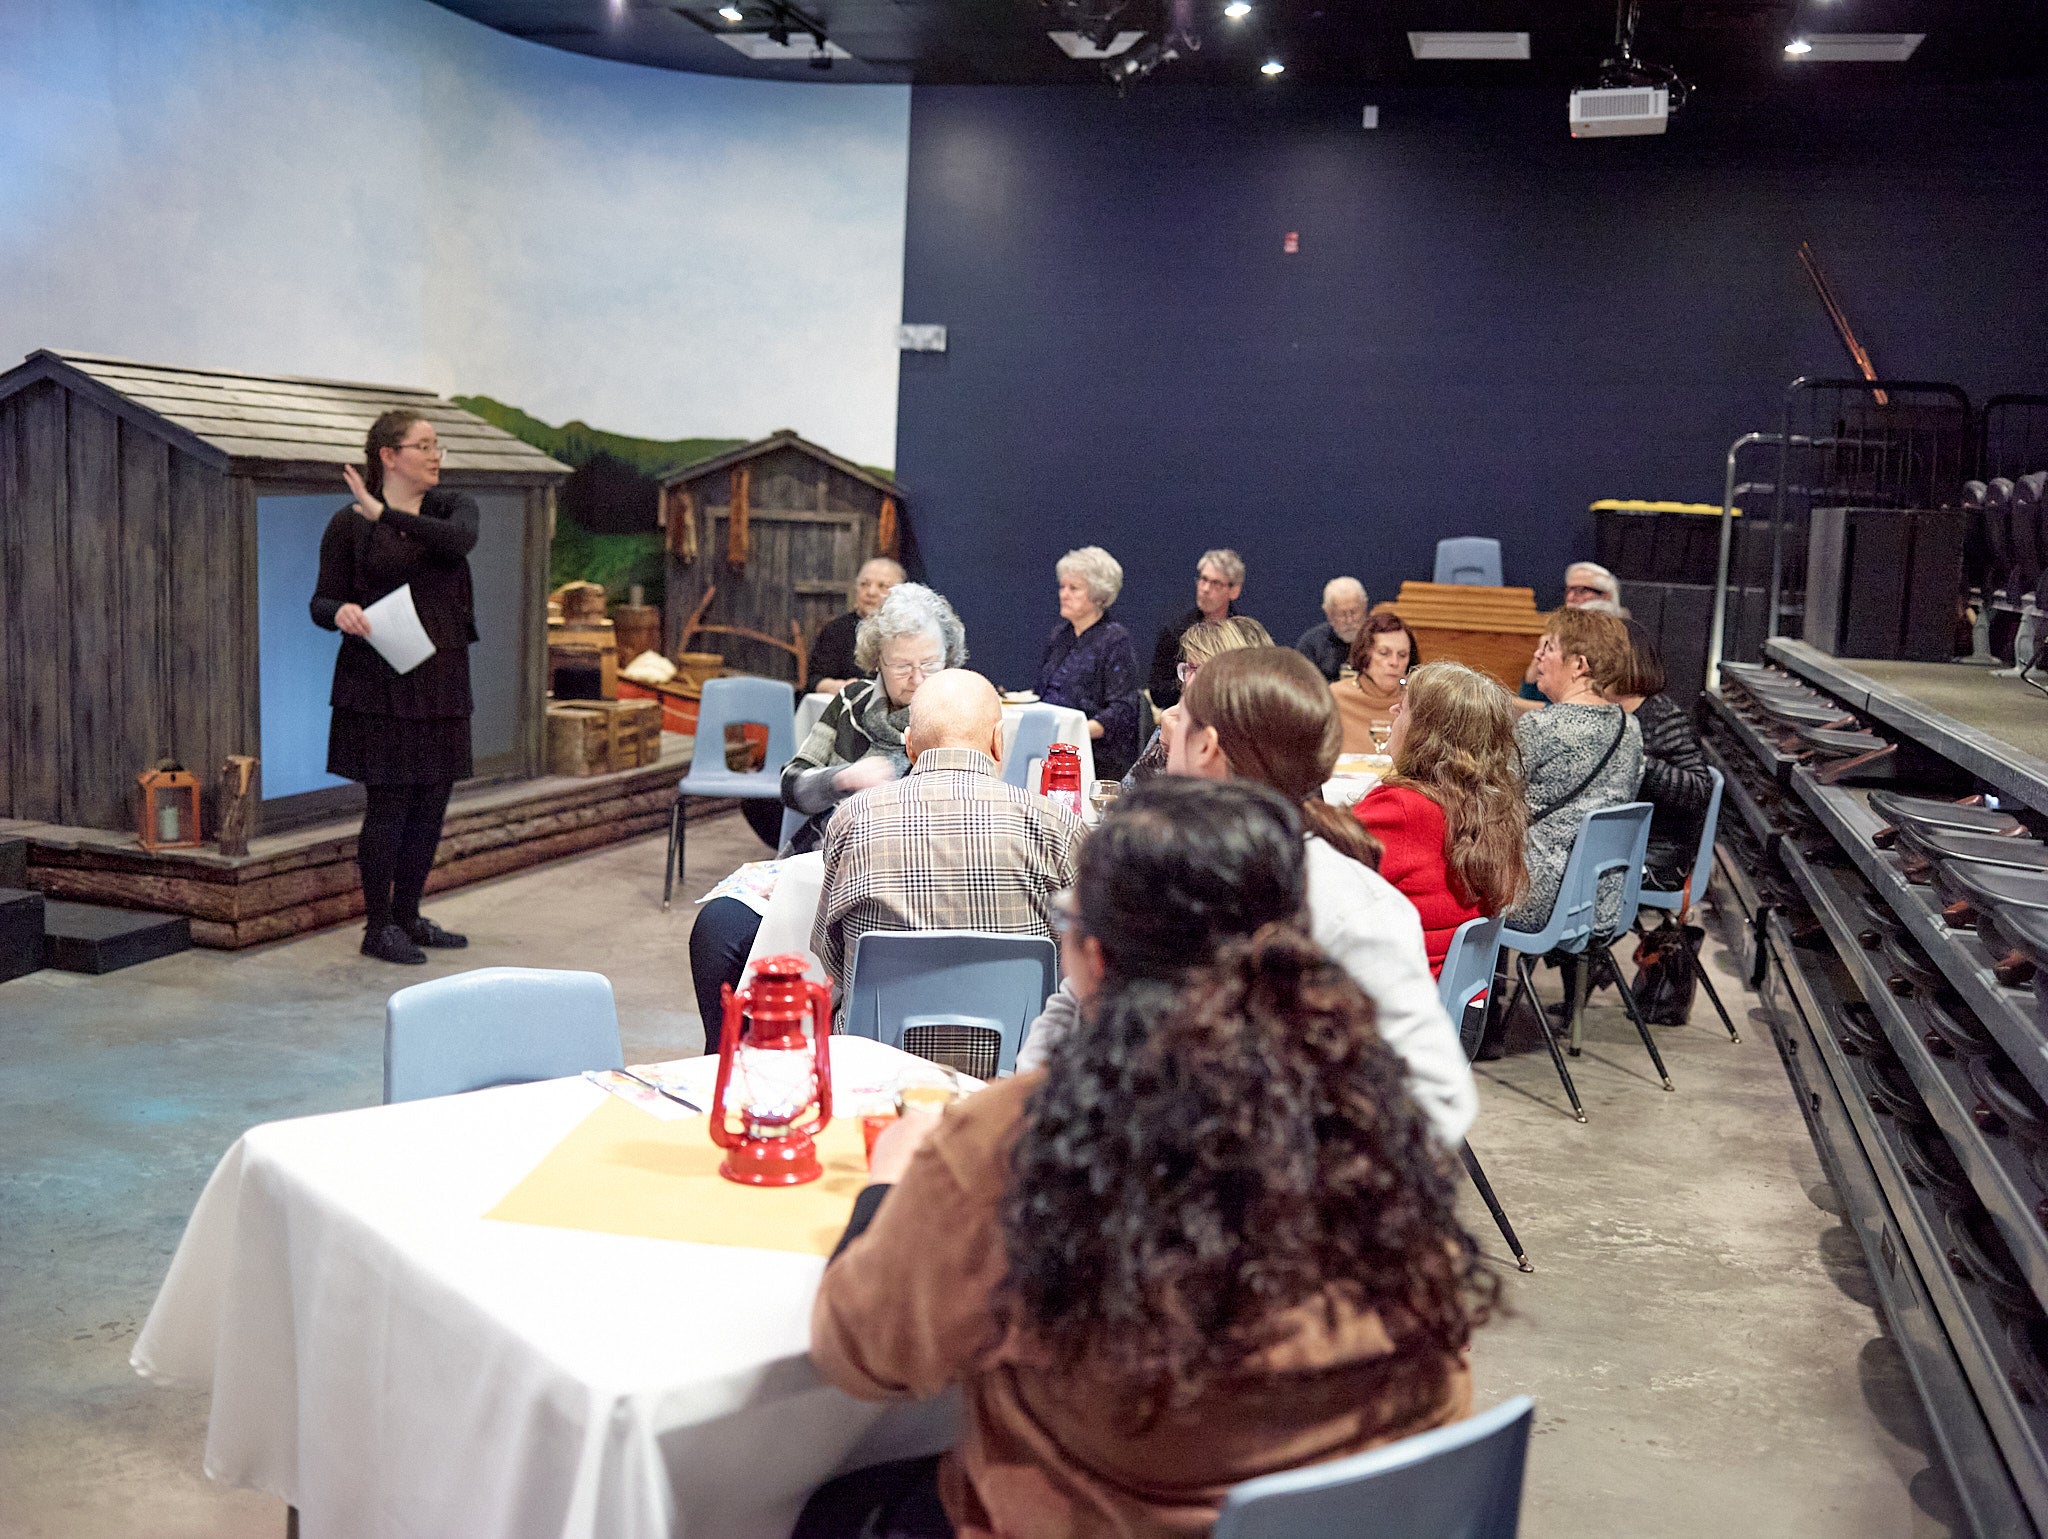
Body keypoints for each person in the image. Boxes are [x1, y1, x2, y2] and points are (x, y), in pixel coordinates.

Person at [800, 777, 1493, 1539]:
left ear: (1094, 958)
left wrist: (889, 1185)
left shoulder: (1022, 1141)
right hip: (1370, 1519)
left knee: (827, 1505)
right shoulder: (1373, 1111)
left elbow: (863, 1350)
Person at [1022, 646, 1477, 1149]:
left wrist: (1262, 1173)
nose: (1167, 734)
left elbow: (1435, 1101)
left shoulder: (1345, 903)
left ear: (1206, 748)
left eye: (1179, 721)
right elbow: (1074, 1007)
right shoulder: (1150, 868)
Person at [688, 583, 966, 1046]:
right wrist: (842, 778)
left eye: (930, 665)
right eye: (902, 666)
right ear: (877, 660)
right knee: (717, 929)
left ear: (949, 659)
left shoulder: (958, 713)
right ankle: (726, 1062)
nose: (917, 678)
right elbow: (790, 785)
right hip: (815, 868)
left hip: (897, 880)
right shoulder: (850, 704)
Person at [311, 410, 478, 966]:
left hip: (441, 679)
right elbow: (321, 601)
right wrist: (341, 613)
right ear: (388, 454)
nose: (436, 456)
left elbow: (457, 543)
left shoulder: (452, 509)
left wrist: (385, 513)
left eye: (438, 446)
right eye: (424, 446)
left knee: (432, 802)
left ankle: (408, 916)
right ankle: (377, 926)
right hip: (379, 682)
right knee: (389, 803)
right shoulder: (347, 524)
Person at [812, 671, 1084, 995]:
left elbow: (830, 957)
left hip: (876, 1040)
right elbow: (1085, 956)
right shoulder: (1055, 824)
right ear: (999, 740)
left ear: (910, 745)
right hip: (1022, 1044)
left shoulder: (852, 817)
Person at [1355, 662, 1528, 974]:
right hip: (1448, 997)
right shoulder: (1496, 809)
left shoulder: (1402, 808)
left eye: (1405, 707)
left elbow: (1318, 880)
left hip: (1388, 997)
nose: (1394, 708)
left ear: (1427, 733)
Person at [1508, 608, 1644, 936]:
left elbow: (1492, 800)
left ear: (1579, 665)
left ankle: (1476, 985)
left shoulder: (1541, 726)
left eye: (1550, 647)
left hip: (1535, 900)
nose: (1538, 654)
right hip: (1604, 901)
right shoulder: (1632, 728)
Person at [1610, 633, 1712, 893]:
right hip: (1624, 846)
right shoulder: (1611, 715)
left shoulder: (1663, 716)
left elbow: (1699, 789)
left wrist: (1641, 762)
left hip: (1656, 858)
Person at [1120, 614, 1271, 786]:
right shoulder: (1176, 722)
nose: (1189, 682)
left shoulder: (1252, 746)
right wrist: (1164, 749)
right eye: (1188, 669)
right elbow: (1124, 801)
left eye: (1200, 670)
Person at [1035, 546, 1142, 780]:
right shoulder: (1060, 635)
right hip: (1052, 746)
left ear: (1098, 596)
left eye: (1074, 588)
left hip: (1093, 756)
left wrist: (1075, 732)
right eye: (1062, 587)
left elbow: (1123, 710)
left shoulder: (1115, 639)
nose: (1064, 594)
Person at [1147, 548, 1245, 710]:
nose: (1205, 589)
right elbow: (1158, 691)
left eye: (1215, 583)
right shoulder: (1175, 631)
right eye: (1203, 579)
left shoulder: (1244, 634)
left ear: (1234, 591)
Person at [1520, 561, 1625, 704]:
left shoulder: (1618, 639)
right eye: (1568, 590)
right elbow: (1529, 695)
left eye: (1581, 590)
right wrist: (1541, 656)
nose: (1570, 598)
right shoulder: (1557, 633)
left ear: (1606, 596)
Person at [805, 556, 905, 696]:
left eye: (882, 586)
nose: (871, 592)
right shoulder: (836, 629)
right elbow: (814, 680)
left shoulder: (905, 633)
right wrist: (835, 686)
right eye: (864, 584)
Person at [1331, 611, 1420, 754]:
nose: (1394, 662)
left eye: (1402, 655)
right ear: (1364, 655)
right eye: (1384, 653)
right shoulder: (1334, 698)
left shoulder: (1416, 703)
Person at [1295, 576, 1369, 681]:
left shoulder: (1380, 638)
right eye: (1342, 614)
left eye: (1354, 612)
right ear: (1328, 613)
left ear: (1364, 606)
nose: (1349, 620)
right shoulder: (1311, 645)